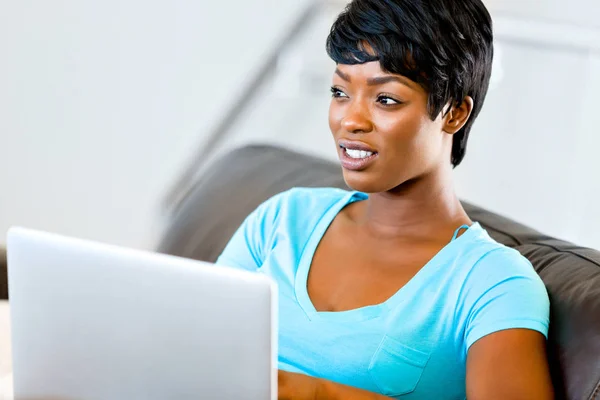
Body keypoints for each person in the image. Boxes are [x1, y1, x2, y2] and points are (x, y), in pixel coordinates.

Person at [217, 0, 554, 398]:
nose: (350, 120)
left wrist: (310, 392)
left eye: (386, 99)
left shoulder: (492, 283)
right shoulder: (282, 218)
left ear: (454, 113)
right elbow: (197, 343)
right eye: (340, 91)